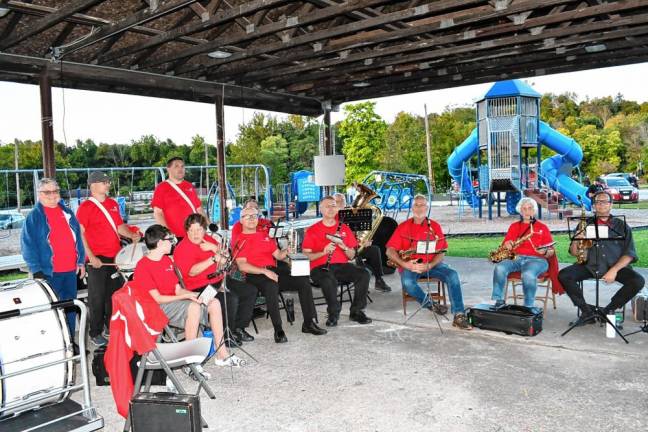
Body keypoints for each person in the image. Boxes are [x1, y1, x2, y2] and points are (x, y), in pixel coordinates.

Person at [134, 224, 242, 368]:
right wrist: (189, 298)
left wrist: (195, 294)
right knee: (193, 307)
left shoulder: (166, 261)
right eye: (169, 239)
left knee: (213, 302)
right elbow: (158, 299)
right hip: (156, 308)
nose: (172, 242)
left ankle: (222, 354)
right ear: (160, 243)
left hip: (173, 302)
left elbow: (178, 290)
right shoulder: (143, 266)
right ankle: (190, 362)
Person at [233, 206, 327, 343]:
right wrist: (265, 271)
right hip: (254, 274)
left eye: (254, 215)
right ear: (241, 220)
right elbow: (242, 265)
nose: (252, 219)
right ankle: (278, 329)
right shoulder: (240, 239)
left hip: (273, 270)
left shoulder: (265, 236)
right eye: (247, 216)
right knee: (271, 286)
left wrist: (288, 250)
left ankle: (308, 323)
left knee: (303, 280)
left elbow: (278, 255)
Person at [385, 194, 472, 330]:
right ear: (412, 207)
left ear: (427, 208)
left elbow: (442, 251)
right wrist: (405, 264)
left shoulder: (434, 226)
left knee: (453, 275)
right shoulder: (403, 227)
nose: (419, 208)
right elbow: (389, 251)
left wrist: (430, 265)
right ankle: (430, 304)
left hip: (432, 264)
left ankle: (459, 314)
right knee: (407, 283)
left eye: (422, 205)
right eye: (416, 205)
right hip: (410, 265)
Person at [558, 190, 644, 325]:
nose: (601, 204)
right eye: (597, 202)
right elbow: (574, 252)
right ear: (594, 205)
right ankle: (586, 312)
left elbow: (629, 254)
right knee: (564, 275)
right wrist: (576, 240)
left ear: (611, 205)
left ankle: (608, 311)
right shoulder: (584, 224)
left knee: (638, 281)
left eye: (605, 201)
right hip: (589, 265)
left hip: (613, 265)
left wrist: (614, 270)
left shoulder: (622, 226)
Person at [77, 171, 141, 346]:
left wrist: (132, 235)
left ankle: (110, 327)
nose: (108, 184)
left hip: (115, 257)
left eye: (107, 182)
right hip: (97, 259)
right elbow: (80, 234)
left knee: (114, 295)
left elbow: (119, 226)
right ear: (93, 185)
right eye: (104, 182)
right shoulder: (85, 207)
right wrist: (91, 257)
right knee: (97, 297)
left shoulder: (113, 204)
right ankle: (95, 332)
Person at [173, 213, 257, 346]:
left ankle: (238, 328)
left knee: (249, 291)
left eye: (199, 230)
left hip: (219, 280)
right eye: (191, 230)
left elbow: (226, 257)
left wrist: (214, 249)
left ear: (204, 229)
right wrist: (212, 258)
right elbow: (192, 272)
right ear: (187, 231)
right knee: (229, 298)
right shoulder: (182, 248)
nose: (195, 234)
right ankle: (226, 335)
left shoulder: (208, 240)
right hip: (198, 289)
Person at [21, 178, 85, 339]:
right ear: (39, 194)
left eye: (55, 191)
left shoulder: (68, 213)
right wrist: (36, 270)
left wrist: (81, 262)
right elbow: (27, 245)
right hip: (49, 273)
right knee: (52, 312)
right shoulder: (34, 217)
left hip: (70, 271)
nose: (52, 195)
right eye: (47, 192)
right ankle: (57, 343)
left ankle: (70, 341)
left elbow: (78, 239)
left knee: (70, 308)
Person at [302, 196, 372, 327]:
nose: (331, 208)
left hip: (341, 266)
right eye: (327, 206)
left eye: (333, 205)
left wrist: (343, 246)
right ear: (321, 209)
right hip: (319, 267)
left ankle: (356, 311)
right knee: (328, 279)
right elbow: (308, 256)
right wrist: (324, 251)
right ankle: (334, 313)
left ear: (338, 208)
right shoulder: (312, 230)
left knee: (364, 273)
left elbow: (351, 256)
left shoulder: (344, 228)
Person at [490, 198, 556, 308]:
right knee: (499, 268)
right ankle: (499, 300)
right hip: (516, 257)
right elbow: (505, 245)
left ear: (534, 210)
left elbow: (551, 251)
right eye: (524, 209)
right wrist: (507, 244)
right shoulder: (514, 226)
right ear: (520, 211)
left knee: (528, 274)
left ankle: (528, 306)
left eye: (530, 208)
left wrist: (545, 252)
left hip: (537, 260)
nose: (527, 211)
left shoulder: (542, 228)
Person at [333, 192, 392, 292]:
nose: (340, 203)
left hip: (354, 246)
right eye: (337, 201)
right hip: (341, 250)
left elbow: (358, 232)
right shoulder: (332, 218)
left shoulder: (352, 214)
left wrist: (363, 240)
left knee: (374, 249)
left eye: (342, 200)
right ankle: (361, 282)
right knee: (357, 258)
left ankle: (379, 280)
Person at [152, 157, 207, 240]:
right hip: (174, 236)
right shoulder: (161, 188)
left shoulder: (189, 186)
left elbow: (199, 209)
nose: (180, 169)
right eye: (176, 166)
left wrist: (209, 225)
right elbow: (158, 213)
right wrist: (167, 233)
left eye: (182, 166)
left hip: (194, 235)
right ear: (168, 169)